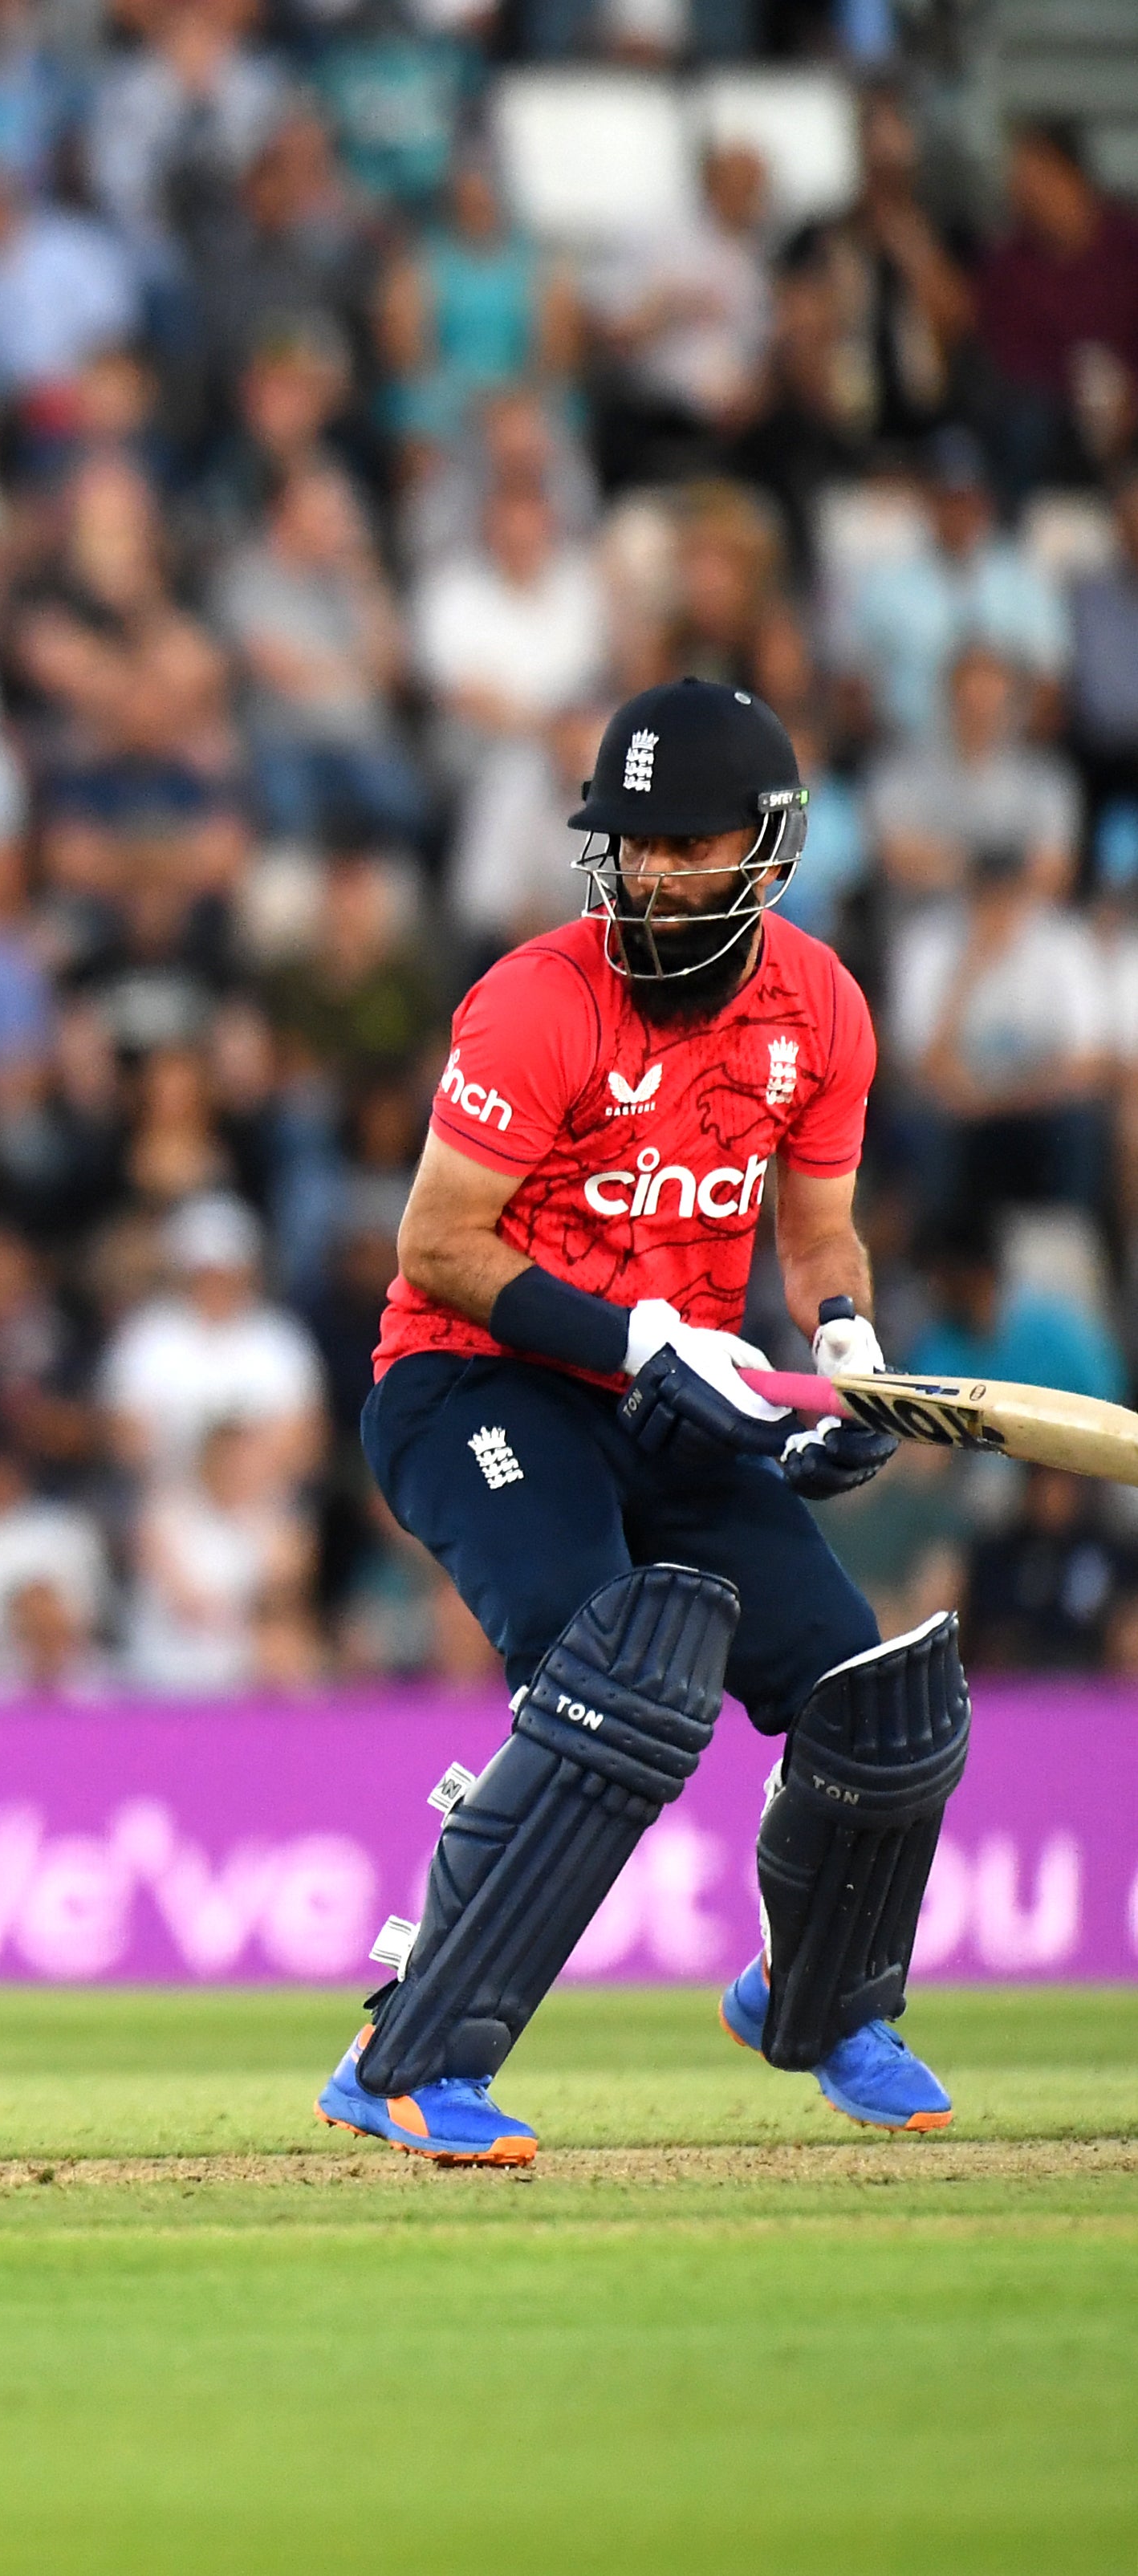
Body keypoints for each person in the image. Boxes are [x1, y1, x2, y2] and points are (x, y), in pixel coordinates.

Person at [328, 681, 960, 2166]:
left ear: (769, 849)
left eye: (692, 842)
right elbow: (436, 1244)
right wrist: (638, 1335)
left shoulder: (821, 1007)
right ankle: (403, 2045)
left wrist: (844, 1344)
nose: (656, 871)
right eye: (634, 841)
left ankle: (818, 2000)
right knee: (608, 1670)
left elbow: (816, 1238)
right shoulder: (537, 999)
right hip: (474, 1384)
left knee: (870, 1701)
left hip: (672, 1394)